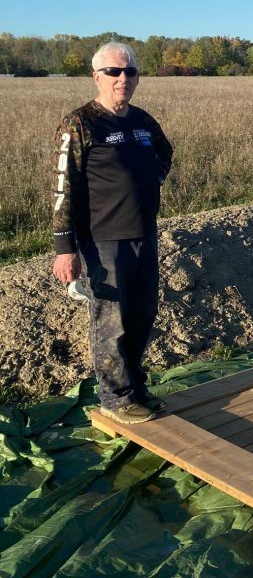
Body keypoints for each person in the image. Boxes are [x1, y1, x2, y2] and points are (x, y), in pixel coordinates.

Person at [51, 42, 173, 424]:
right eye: (114, 73)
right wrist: (64, 247)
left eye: (130, 72)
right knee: (111, 321)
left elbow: (164, 152)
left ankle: (136, 387)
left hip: (143, 233)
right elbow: (62, 187)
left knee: (142, 312)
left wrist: (150, 182)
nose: (123, 79)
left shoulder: (140, 120)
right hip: (103, 239)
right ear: (97, 77)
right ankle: (116, 398)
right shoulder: (80, 123)